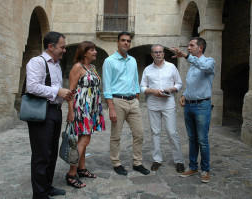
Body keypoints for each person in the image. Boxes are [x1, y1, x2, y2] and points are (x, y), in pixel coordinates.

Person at [26, 31, 73, 199]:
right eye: (62, 47)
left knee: (52, 152)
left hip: (55, 111)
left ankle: (47, 186)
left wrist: (62, 95)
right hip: (41, 112)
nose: (64, 50)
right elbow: (32, 87)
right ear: (51, 47)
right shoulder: (37, 62)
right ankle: (39, 194)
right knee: (41, 154)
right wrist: (57, 91)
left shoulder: (56, 64)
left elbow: (53, 90)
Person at [103, 31, 150, 176]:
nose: (126, 43)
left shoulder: (133, 60)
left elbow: (136, 80)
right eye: (123, 40)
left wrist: (136, 96)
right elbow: (107, 86)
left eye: (128, 41)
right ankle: (116, 163)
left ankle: (137, 163)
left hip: (133, 102)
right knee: (116, 135)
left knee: (139, 133)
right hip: (117, 101)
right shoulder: (109, 61)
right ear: (117, 42)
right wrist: (111, 107)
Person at [171, 37, 215, 183]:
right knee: (192, 139)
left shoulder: (209, 61)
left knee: (202, 140)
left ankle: (206, 170)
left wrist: (186, 56)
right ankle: (193, 166)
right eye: (188, 46)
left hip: (202, 106)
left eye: (192, 45)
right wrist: (184, 95)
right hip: (189, 105)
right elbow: (192, 84)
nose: (189, 48)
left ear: (200, 47)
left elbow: (204, 67)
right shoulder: (191, 66)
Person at [66, 41, 105, 188]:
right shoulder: (78, 67)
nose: (95, 52)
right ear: (84, 52)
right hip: (82, 108)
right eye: (92, 50)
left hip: (92, 109)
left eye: (95, 49)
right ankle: (71, 174)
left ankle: (82, 169)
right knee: (84, 141)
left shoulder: (92, 67)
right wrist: (70, 112)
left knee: (84, 139)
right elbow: (70, 91)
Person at [140, 44, 185, 173]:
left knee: (172, 132)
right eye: (155, 52)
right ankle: (157, 159)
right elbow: (142, 87)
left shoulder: (171, 67)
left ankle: (179, 160)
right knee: (155, 133)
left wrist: (171, 89)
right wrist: (152, 91)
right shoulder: (147, 69)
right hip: (153, 104)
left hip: (168, 103)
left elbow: (179, 84)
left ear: (164, 54)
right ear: (152, 54)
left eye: (160, 52)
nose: (158, 54)